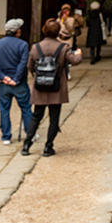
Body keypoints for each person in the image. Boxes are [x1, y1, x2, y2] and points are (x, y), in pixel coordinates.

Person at [21, 18, 82, 157]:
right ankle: (48, 146)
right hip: (56, 86)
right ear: (58, 32)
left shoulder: (36, 47)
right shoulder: (63, 47)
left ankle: (26, 145)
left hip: (40, 85)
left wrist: (37, 74)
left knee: (36, 116)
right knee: (54, 118)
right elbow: (75, 60)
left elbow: (29, 66)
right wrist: (78, 54)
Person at [0, 19, 32, 145]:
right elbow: (23, 63)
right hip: (19, 83)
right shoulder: (22, 45)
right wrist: (16, 79)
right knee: (26, 108)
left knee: (4, 109)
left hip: (3, 83)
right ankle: (30, 133)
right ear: (17, 31)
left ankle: (6, 136)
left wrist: (2, 77)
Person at [86, 0, 106, 64]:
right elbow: (102, 22)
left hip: (91, 30)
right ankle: (97, 56)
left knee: (92, 46)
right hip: (98, 30)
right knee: (98, 44)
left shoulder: (89, 14)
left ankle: (92, 58)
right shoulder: (99, 14)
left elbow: (87, 23)